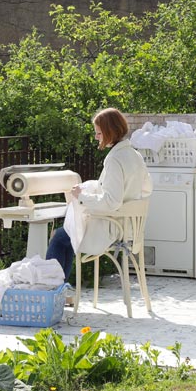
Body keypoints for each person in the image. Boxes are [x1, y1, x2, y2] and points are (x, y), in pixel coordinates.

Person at [45, 107, 153, 279]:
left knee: (60, 236)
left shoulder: (115, 159)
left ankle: (50, 289)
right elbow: (146, 188)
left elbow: (111, 202)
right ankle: (58, 288)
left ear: (111, 132)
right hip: (128, 227)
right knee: (66, 235)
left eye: (99, 133)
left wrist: (82, 196)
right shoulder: (134, 155)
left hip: (111, 227)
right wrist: (94, 186)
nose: (96, 137)